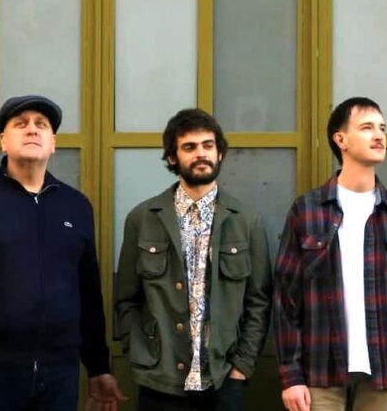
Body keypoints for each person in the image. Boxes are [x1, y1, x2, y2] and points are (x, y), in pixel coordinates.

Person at [0, 95, 123, 410]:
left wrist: (98, 366)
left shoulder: (76, 206)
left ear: (53, 143)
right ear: (3, 140)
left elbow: (88, 292)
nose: (32, 130)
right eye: (21, 124)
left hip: (59, 373)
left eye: (41, 125)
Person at [273, 97, 387, 411]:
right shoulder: (307, 210)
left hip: (385, 373)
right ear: (340, 139)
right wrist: (291, 374)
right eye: (367, 127)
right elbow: (286, 299)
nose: (379, 135)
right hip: (320, 373)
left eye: (382, 128)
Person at [115, 109, 272, 411]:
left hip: (223, 380)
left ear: (219, 153)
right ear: (172, 157)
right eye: (189, 147)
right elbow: (126, 299)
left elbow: (259, 301)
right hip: (159, 381)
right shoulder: (143, 218)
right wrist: (140, 352)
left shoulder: (246, 221)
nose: (201, 153)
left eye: (207, 145)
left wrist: (242, 366)